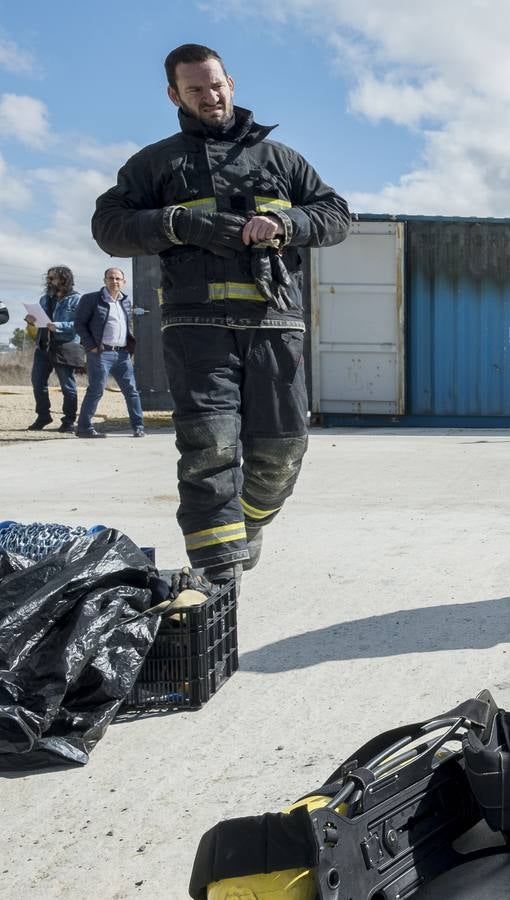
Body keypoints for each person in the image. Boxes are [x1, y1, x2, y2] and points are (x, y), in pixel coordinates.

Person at [92, 43, 350, 583]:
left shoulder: (282, 160)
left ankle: (247, 527)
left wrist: (285, 225)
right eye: (195, 90)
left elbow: (336, 215)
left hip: (275, 325)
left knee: (282, 453)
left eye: (216, 85)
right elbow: (108, 227)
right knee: (210, 450)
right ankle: (219, 574)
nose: (210, 97)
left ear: (231, 81)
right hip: (197, 330)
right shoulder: (155, 164)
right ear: (173, 95)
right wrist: (180, 225)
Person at [73, 267, 145, 438]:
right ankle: (84, 428)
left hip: (122, 354)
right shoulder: (91, 299)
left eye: (118, 278)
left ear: (124, 282)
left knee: (132, 391)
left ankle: (138, 426)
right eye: (111, 278)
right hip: (100, 353)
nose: (115, 281)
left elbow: (127, 325)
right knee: (96, 390)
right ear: (104, 280)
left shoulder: (126, 301)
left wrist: (129, 347)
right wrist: (91, 346)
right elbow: (79, 324)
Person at [24, 266, 83, 433]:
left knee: (67, 386)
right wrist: (31, 321)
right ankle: (43, 416)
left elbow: (79, 324)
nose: (49, 281)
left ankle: (69, 420)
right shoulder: (44, 299)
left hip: (65, 346)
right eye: (48, 278)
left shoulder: (77, 299)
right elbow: (40, 323)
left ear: (64, 280)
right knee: (38, 383)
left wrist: (58, 326)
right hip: (43, 346)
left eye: (52, 278)